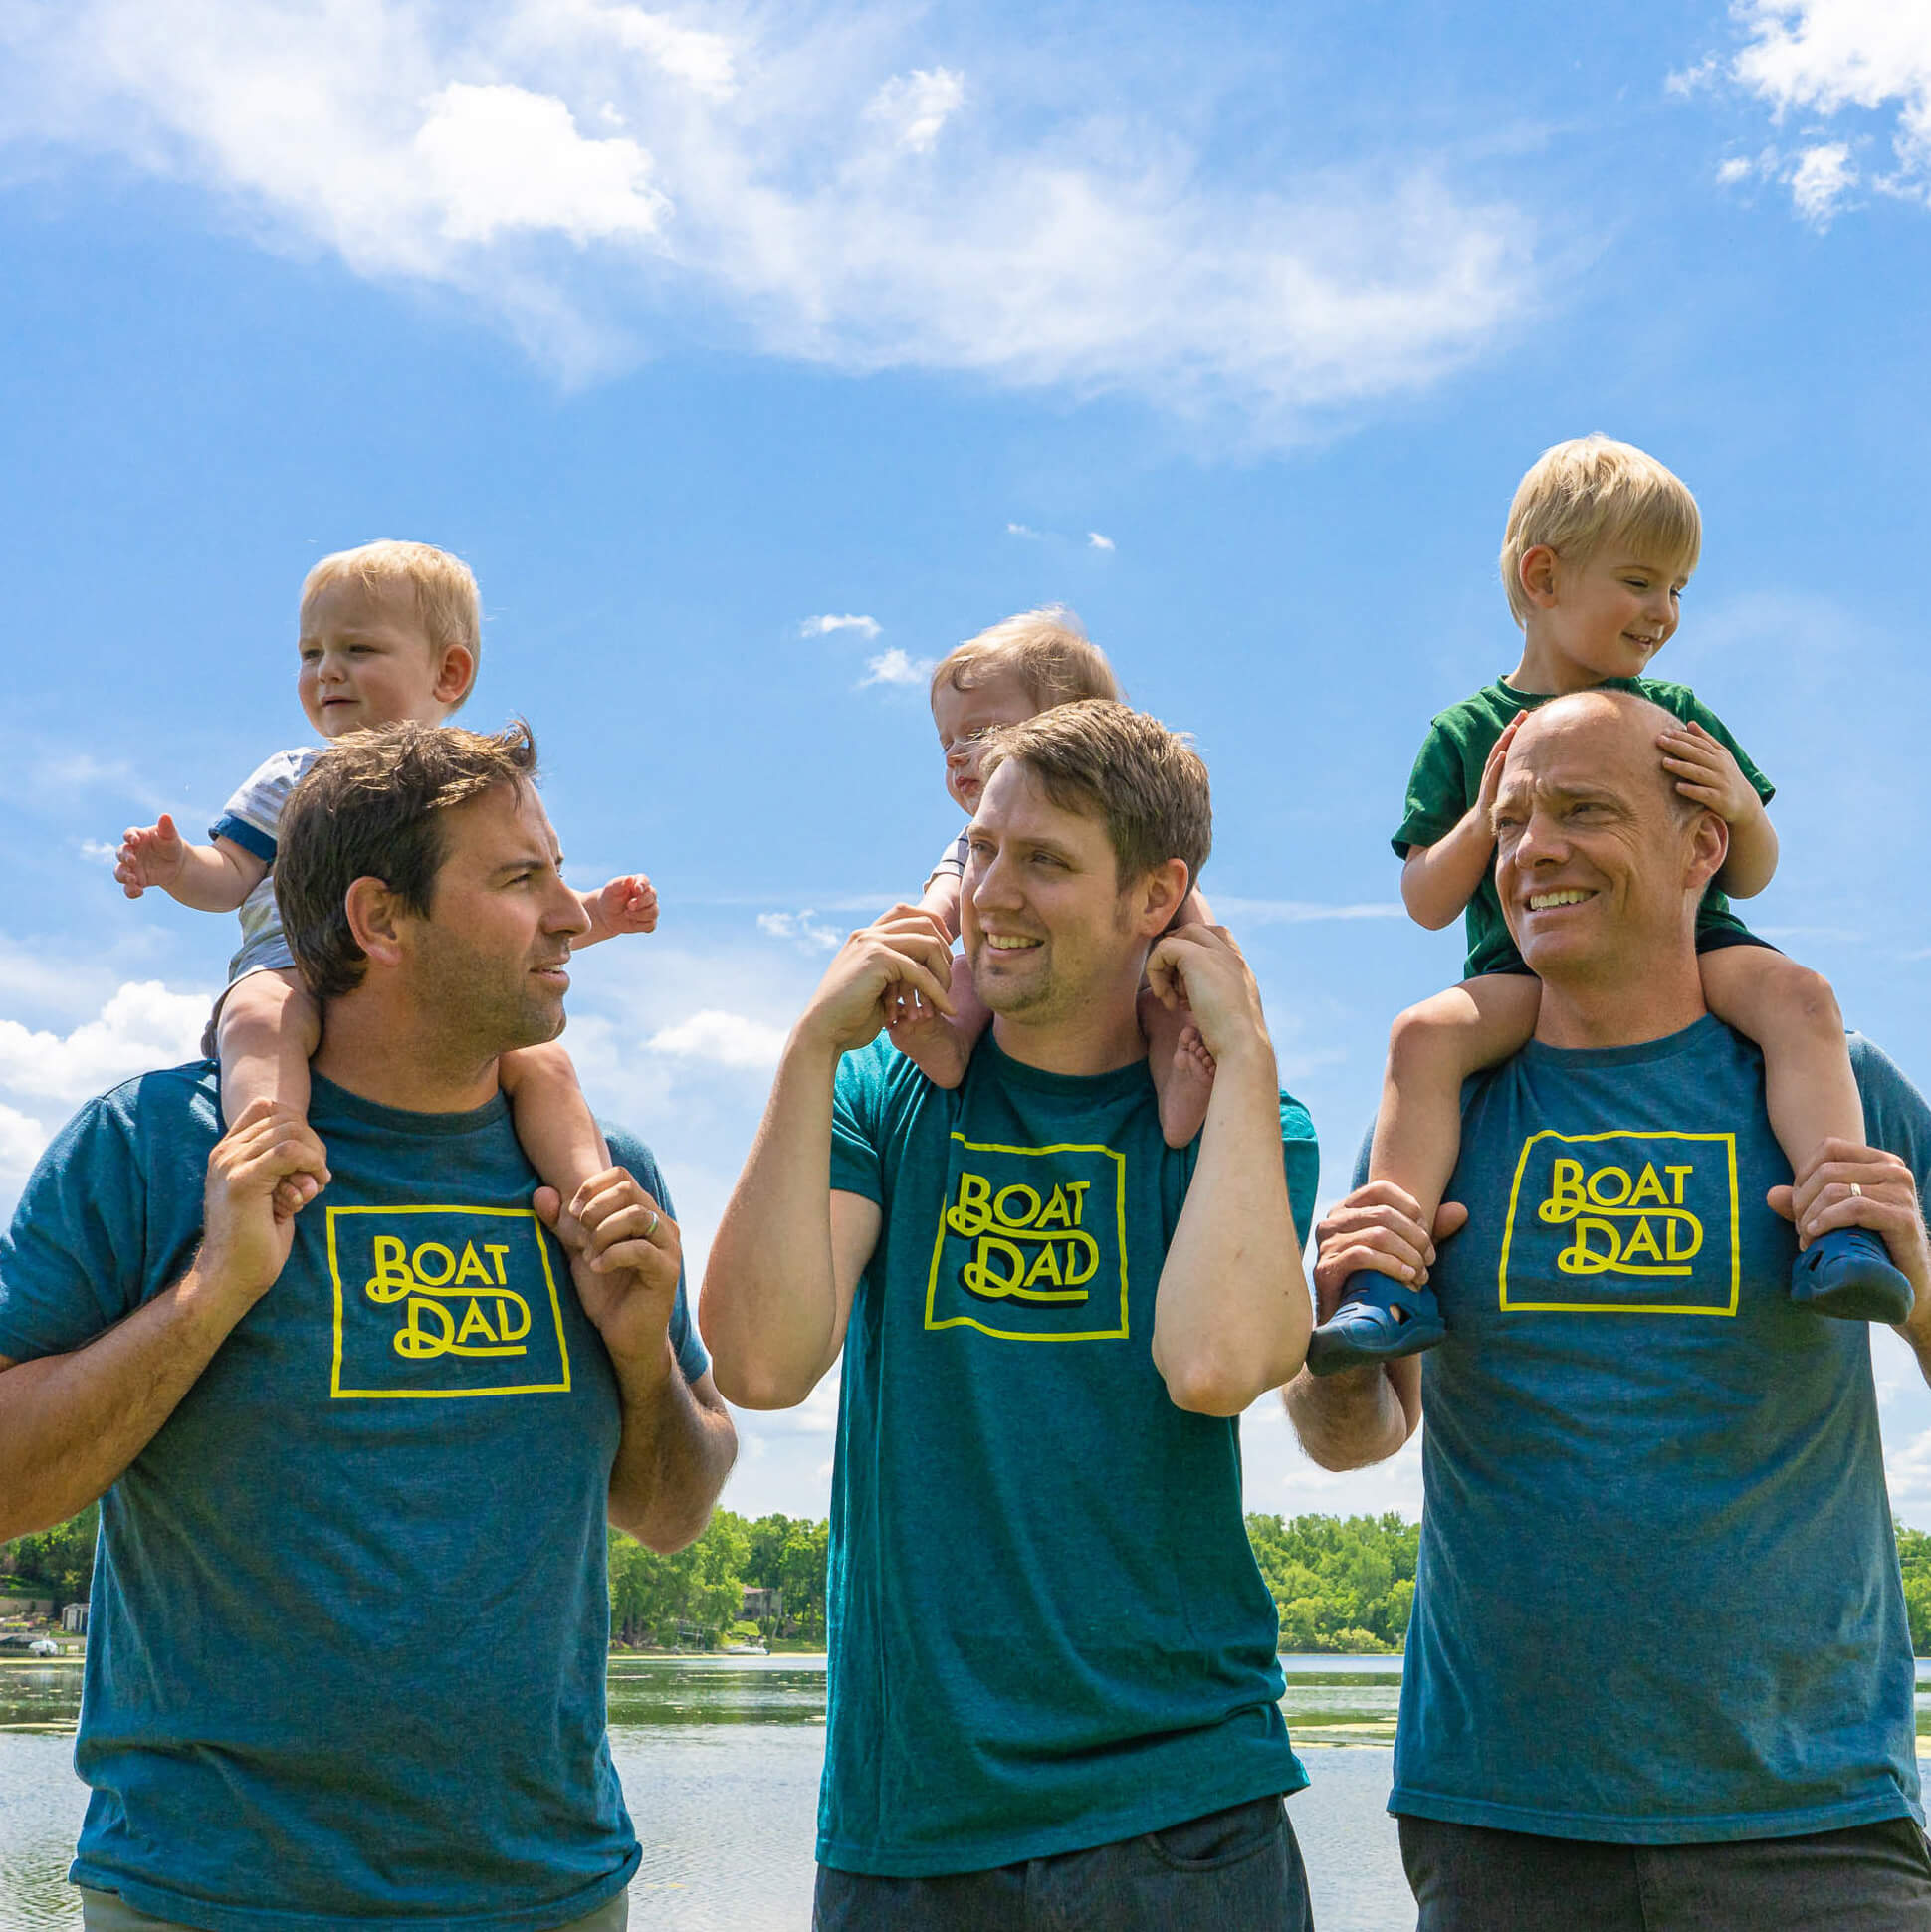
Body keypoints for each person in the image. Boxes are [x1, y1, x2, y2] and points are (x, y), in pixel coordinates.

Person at [0, 720, 737, 1931]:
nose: (568, 916)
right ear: (380, 921)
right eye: (519, 879)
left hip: (548, 1892)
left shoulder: (607, 1178)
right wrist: (210, 1295)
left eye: (558, 872)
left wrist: (642, 1351)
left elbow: (670, 1510)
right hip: (207, 1897)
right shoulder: (147, 1151)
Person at [1286, 688, 1931, 1931]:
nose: (1533, 851)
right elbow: (1355, 1435)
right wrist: (1321, 1359)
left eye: (1583, 811)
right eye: (1514, 819)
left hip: (1811, 1819)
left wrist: (1913, 1284)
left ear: (1702, 846)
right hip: (1498, 1818)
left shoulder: (1832, 1091)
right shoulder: (1444, 1106)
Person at [702, 699, 1321, 1931]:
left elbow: (1211, 1365)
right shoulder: (885, 1096)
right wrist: (809, 1053)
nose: (991, 891)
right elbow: (762, 1364)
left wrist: (1243, 1053)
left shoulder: (1238, 1124)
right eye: (982, 849)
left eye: (1044, 861)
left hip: (1181, 1816)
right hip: (912, 1824)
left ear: (1156, 897)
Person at [1307, 436, 1907, 1373]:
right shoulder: (1467, 731)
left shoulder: (1677, 713)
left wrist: (1738, 801)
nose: (1664, 612)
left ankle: (1842, 1229)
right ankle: (1386, 1279)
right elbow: (1427, 901)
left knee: (1802, 1002)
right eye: (1640, 582)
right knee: (1422, 1037)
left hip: (1695, 949)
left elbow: (1748, 873)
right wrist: (1486, 816)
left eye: (1677, 589)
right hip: (1523, 974)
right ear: (1544, 576)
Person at [111, 538, 657, 1233]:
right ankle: (267, 1151)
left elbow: (517, 912)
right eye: (311, 654)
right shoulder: (290, 775)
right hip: (288, 966)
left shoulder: (473, 789)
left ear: (449, 671)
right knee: (257, 1019)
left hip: (438, 997)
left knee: (542, 1059)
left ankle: (589, 1199)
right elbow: (230, 877)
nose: (328, 670)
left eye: (358, 650)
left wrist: (600, 912)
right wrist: (179, 865)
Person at [886, 607, 1217, 1147]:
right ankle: (948, 1044)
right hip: (1018, 981)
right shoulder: (973, 838)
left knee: (1173, 1010)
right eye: (945, 740)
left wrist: (1210, 978)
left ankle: (1177, 1090)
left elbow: (1201, 933)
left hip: (1134, 989)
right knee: (967, 973)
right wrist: (918, 933)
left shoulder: (1138, 840)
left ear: (1071, 723)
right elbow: (946, 899)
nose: (955, 756)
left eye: (981, 731)